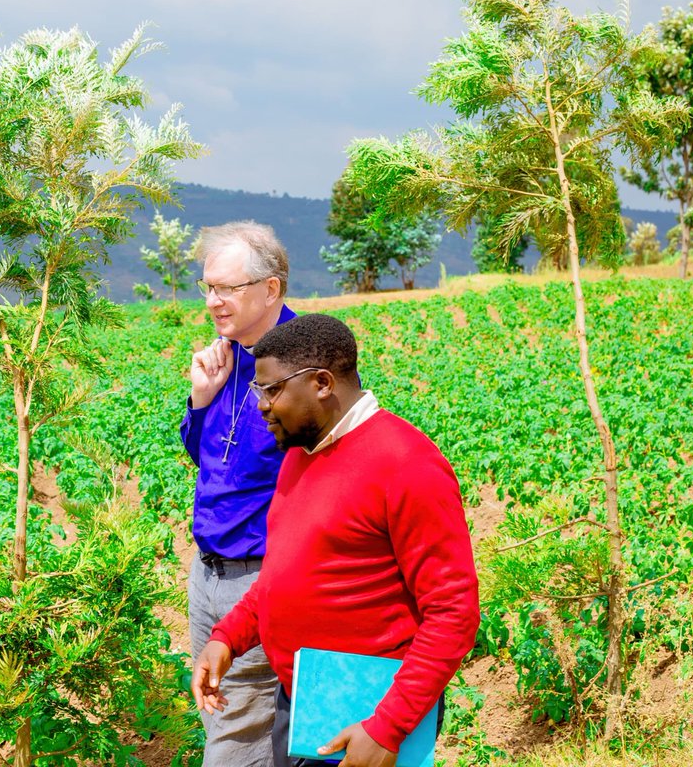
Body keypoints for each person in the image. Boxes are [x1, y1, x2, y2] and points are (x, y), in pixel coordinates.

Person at [190, 313, 480, 767]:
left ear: (322, 383)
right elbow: (285, 574)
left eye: (272, 390)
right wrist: (228, 637)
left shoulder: (407, 464)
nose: (262, 406)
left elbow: (453, 612)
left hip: (367, 710)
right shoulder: (301, 452)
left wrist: (388, 727)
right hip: (303, 697)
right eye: (258, 390)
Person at [180, 220, 294, 766]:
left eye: (227, 288)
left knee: (236, 738)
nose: (212, 301)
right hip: (206, 573)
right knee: (224, 720)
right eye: (208, 287)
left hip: (259, 576)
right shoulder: (227, 354)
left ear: (270, 289)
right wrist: (202, 400)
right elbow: (211, 460)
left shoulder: (301, 362)